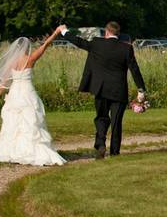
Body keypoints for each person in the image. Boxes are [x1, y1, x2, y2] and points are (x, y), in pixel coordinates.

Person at [61, 21, 146, 158]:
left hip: (100, 89)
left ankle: (100, 145)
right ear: (118, 34)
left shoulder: (97, 43)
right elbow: (135, 70)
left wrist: (64, 31)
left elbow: (80, 42)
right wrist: (141, 90)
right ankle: (114, 152)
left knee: (101, 118)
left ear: (106, 32)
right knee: (116, 122)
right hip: (119, 91)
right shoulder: (126, 49)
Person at [0, 27, 67, 166]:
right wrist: (56, 32)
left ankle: (11, 152)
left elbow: (5, 80)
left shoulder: (12, 62)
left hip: (15, 93)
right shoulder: (30, 58)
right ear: (26, 48)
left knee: (13, 122)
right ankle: (32, 151)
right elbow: (45, 45)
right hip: (27, 91)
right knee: (31, 121)